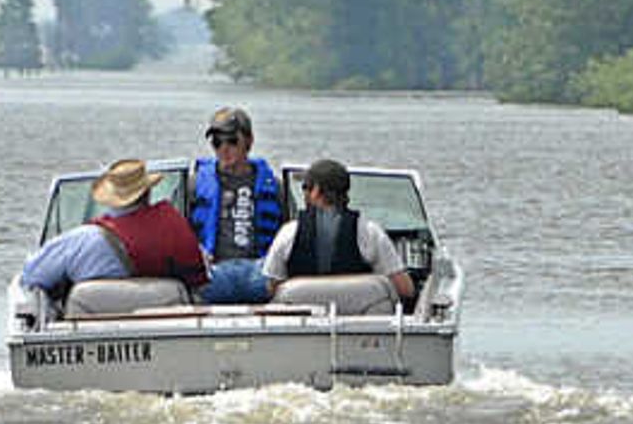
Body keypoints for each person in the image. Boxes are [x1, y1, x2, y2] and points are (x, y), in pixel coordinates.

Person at [255, 157, 412, 306]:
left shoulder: (288, 232)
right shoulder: (370, 233)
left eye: (305, 187)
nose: (304, 193)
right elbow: (405, 289)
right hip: (358, 328)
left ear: (316, 190)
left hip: (302, 328)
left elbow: (272, 288)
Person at [188, 107, 288, 305]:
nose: (224, 148)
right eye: (217, 142)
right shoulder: (194, 184)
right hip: (214, 271)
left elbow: (288, 234)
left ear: (249, 141)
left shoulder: (274, 186)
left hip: (260, 271)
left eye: (232, 141)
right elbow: (181, 234)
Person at [85, 158, 205, 286]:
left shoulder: (84, 238)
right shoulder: (172, 223)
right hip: (169, 302)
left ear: (110, 197)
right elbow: (197, 275)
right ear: (148, 192)